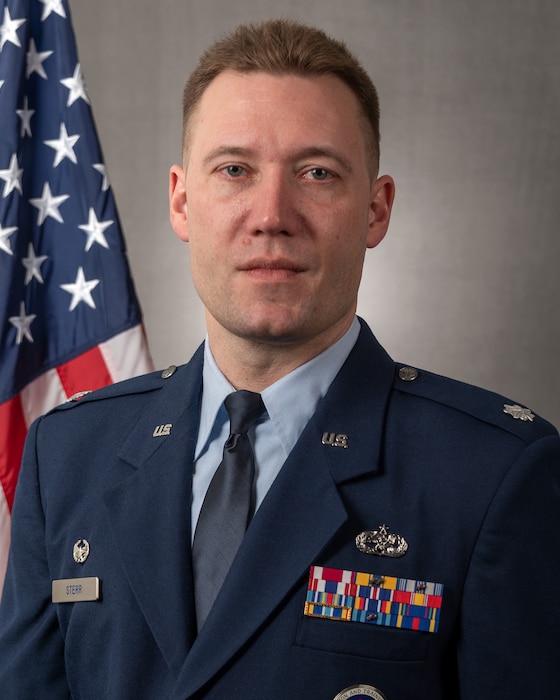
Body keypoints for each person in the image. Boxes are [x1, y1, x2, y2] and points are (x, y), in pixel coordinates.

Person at [0, 18, 558, 700]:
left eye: (316, 173)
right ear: (182, 200)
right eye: (234, 170)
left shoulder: (492, 473)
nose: (272, 213)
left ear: (376, 210)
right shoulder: (67, 454)